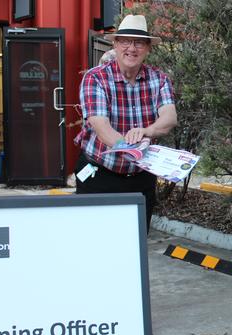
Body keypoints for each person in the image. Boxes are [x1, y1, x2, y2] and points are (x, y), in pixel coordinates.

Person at [75, 14, 177, 229]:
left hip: (141, 177)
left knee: (136, 243)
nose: (132, 48)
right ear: (115, 44)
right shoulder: (95, 78)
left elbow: (169, 118)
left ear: (148, 48)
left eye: (139, 42)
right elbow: (102, 129)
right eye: (125, 41)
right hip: (99, 174)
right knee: (95, 241)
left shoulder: (159, 79)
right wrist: (135, 148)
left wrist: (145, 132)